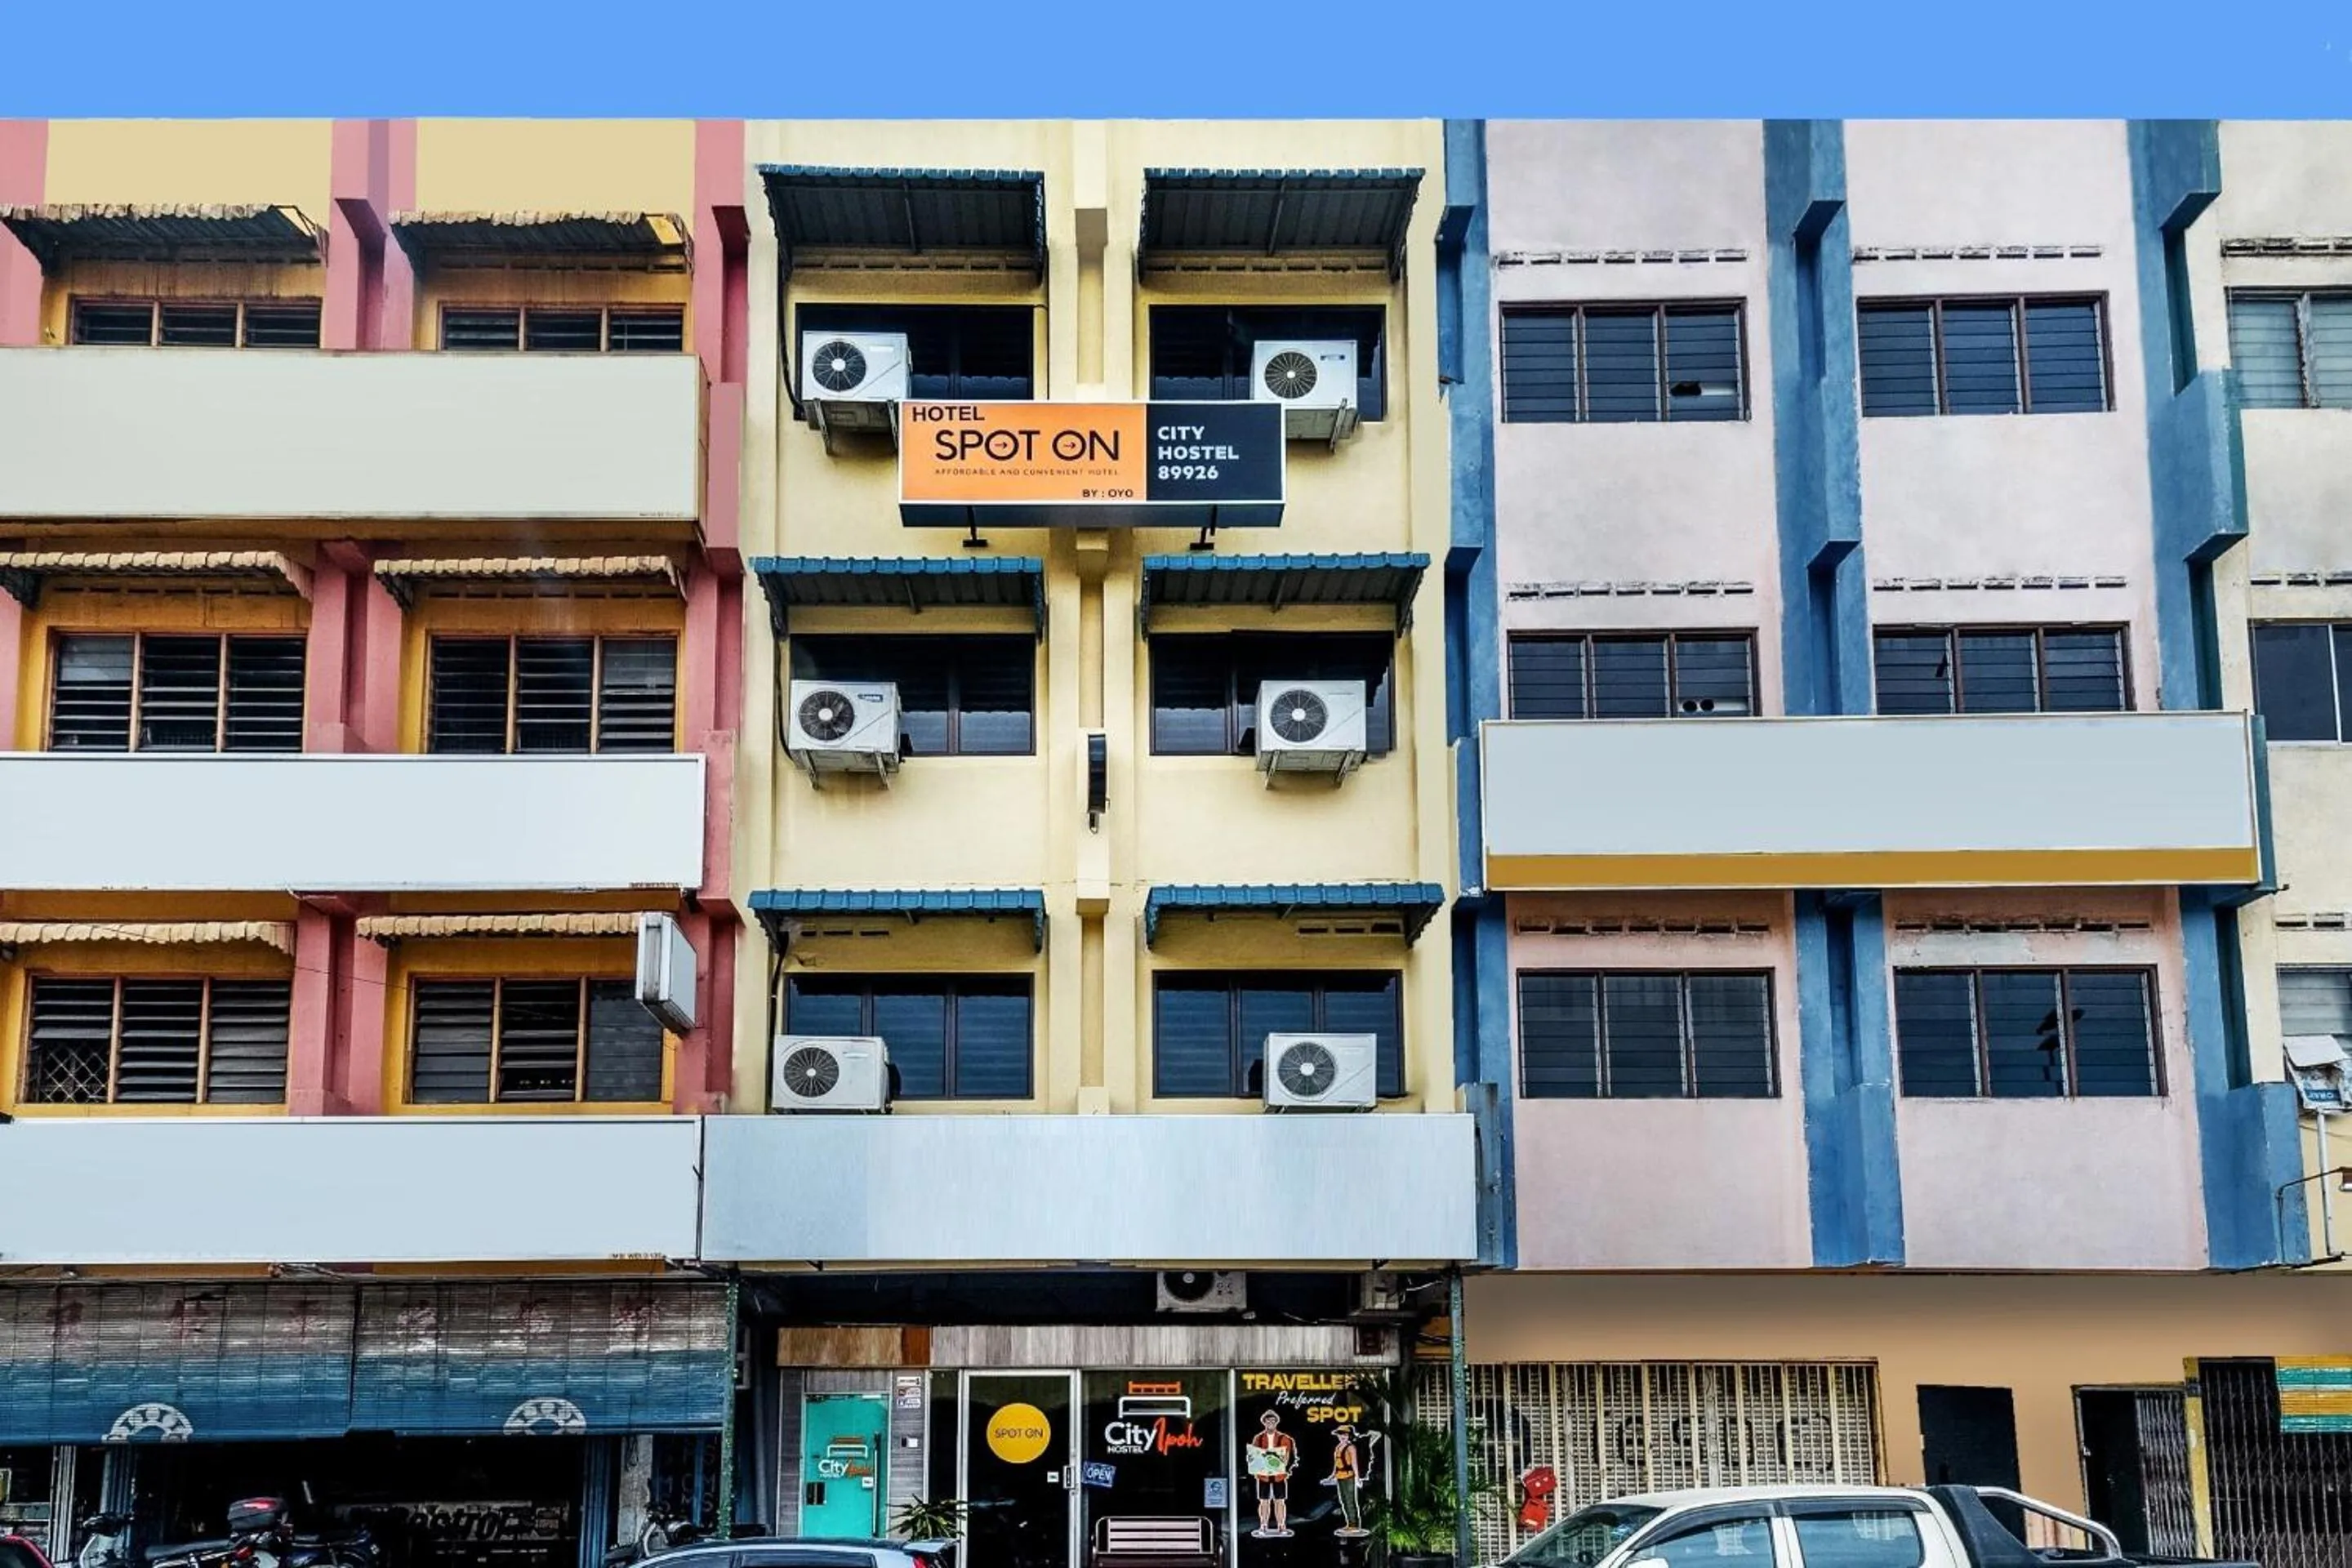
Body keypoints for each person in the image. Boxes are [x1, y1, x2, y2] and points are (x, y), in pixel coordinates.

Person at [1246, 1410, 1298, 1539]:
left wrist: (1287, 1470)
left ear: (1276, 1422)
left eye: (1273, 1421)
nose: (1270, 1423)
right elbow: (1253, 1454)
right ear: (1264, 1422)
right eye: (1268, 1421)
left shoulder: (1285, 1438)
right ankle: (1263, 1525)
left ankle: (1281, 1526)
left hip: (1279, 1475)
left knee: (1280, 1501)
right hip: (1263, 1475)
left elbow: (1291, 1456)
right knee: (1264, 1501)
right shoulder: (1258, 1438)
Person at [1326, 1423, 1370, 1539]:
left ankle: (1354, 1524)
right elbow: (1336, 1464)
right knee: (1344, 1500)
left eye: (1345, 1435)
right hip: (1340, 1476)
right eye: (1340, 1435)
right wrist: (1332, 1476)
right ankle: (1349, 1523)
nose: (1342, 1437)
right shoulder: (1338, 1447)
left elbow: (1354, 1463)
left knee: (1350, 1500)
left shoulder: (1351, 1448)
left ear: (1349, 1436)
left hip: (1349, 1476)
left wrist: (1357, 1478)